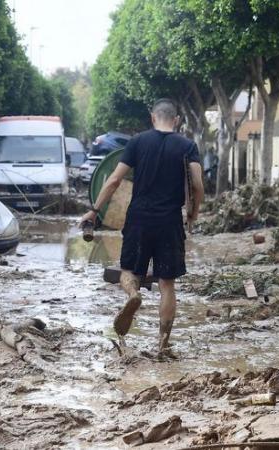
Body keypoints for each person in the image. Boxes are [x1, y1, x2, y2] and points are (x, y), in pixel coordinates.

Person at [80, 98, 204, 358]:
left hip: (138, 218)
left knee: (128, 272)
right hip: (169, 221)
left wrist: (94, 209)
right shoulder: (187, 146)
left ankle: (133, 294)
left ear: (152, 117)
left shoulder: (137, 142)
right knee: (167, 284)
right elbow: (197, 184)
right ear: (177, 120)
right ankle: (163, 344)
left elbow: (114, 179)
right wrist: (193, 214)